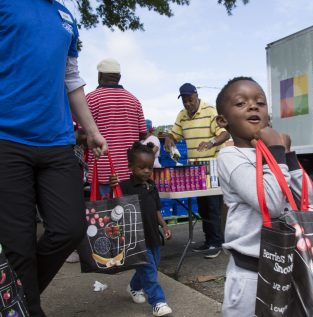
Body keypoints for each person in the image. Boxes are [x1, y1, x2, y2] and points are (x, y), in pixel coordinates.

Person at [0, 2, 108, 316]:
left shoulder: (66, 17)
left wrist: (92, 129)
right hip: (6, 139)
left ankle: (16, 299)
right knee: (18, 244)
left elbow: (71, 78)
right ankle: (28, 307)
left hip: (57, 142)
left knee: (70, 229)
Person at [214, 77, 312, 316]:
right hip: (250, 274)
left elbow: (304, 201)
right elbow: (272, 204)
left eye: (260, 102)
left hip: (286, 267)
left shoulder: (275, 156)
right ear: (223, 120)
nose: (253, 106)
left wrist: (288, 156)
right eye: (241, 103)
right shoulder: (230, 157)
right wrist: (277, 153)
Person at [165, 83, 230, 258]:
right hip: (195, 168)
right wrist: (169, 140)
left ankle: (216, 243)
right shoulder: (182, 116)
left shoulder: (210, 110)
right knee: (202, 207)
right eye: (184, 101)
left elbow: (225, 134)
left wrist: (211, 142)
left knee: (212, 206)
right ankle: (209, 241)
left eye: (190, 100)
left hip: (213, 166)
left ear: (196, 95)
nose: (187, 104)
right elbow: (174, 134)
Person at [110, 142, 172, 317]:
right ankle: (158, 302)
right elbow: (113, 205)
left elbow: (156, 209)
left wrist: (165, 226)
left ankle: (134, 287)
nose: (146, 171)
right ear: (131, 167)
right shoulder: (124, 186)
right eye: (142, 167)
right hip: (136, 237)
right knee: (149, 270)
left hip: (153, 235)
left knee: (151, 265)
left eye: (150, 167)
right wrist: (112, 187)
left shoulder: (151, 186)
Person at [86, 58, 147, 198]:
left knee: (107, 216)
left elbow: (84, 134)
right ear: (119, 77)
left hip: (102, 172)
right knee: (130, 216)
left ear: (100, 76)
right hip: (130, 172)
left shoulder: (90, 99)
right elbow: (143, 134)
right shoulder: (134, 100)